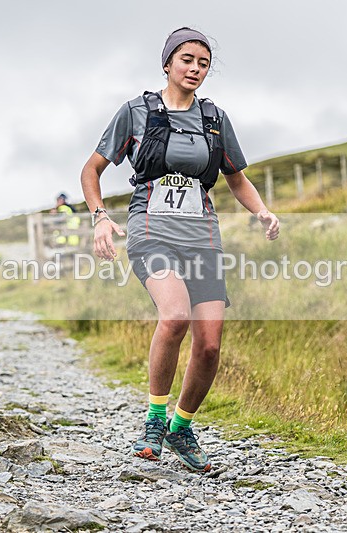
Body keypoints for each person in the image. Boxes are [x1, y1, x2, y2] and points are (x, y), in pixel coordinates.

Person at [80, 27, 279, 472]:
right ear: (168, 63)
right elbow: (91, 170)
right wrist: (99, 217)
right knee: (175, 316)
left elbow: (235, 177)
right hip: (151, 231)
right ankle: (154, 419)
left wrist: (262, 210)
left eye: (203, 63)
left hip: (203, 238)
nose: (195, 69)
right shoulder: (136, 112)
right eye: (187, 60)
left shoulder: (214, 119)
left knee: (209, 346)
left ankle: (181, 427)